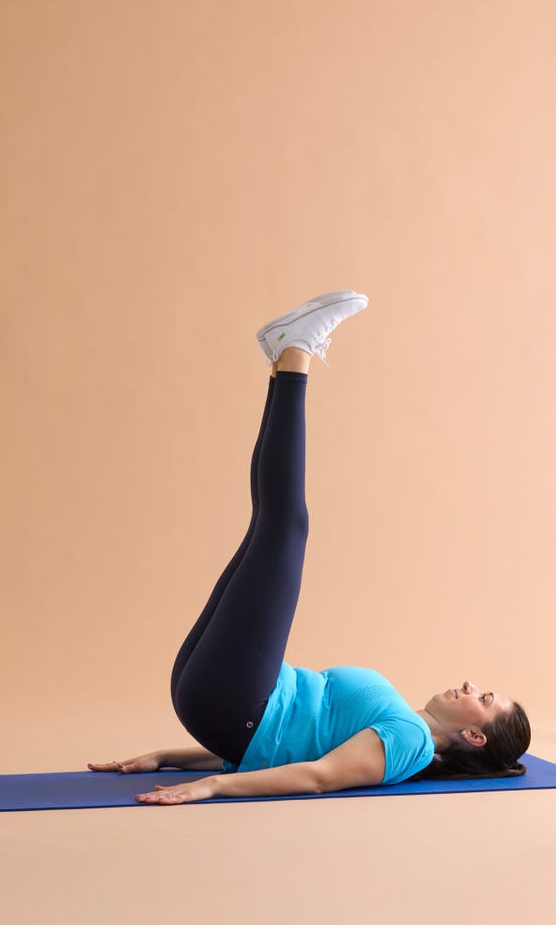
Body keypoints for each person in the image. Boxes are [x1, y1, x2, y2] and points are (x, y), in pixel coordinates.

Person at [89, 291, 531, 805]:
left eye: (485, 699)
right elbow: (285, 748)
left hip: (235, 702)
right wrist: (170, 755)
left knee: (286, 526)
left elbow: (318, 776)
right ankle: (283, 363)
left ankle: (295, 352)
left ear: (475, 737)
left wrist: (212, 785)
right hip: (225, 701)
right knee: (268, 525)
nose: (472, 685)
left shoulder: (409, 742)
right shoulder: (407, 726)